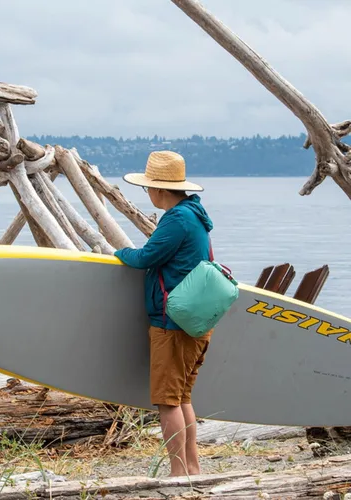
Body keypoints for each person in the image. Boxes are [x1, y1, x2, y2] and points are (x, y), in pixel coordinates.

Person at [114, 150, 214, 477]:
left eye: (147, 189)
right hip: (193, 321)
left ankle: (177, 473)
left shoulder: (177, 219)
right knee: (181, 397)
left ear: (159, 189)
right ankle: (191, 469)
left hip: (173, 324)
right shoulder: (195, 215)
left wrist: (117, 252)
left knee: (167, 401)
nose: (148, 195)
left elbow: (145, 257)